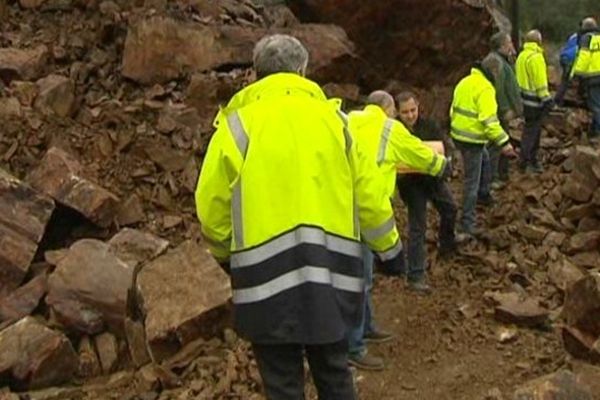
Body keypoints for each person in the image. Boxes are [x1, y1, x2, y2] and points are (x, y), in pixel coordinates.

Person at [195, 34, 404, 400]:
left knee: (282, 385)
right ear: (303, 71)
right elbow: (368, 194)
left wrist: (225, 253)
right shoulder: (336, 122)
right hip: (331, 279)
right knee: (335, 376)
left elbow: (210, 204)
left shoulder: (236, 125)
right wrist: (390, 249)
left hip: (264, 284)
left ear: (256, 74)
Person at [345, 90, 447, 369]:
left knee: (362, 274)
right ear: (389, 109)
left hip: (341, 206)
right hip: (368, 210)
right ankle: (353, 346)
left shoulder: (348, 120)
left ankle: (365, 327)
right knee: (357, 278)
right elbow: (418, 153)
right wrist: (441, 164)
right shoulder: (390, 128)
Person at [395, 91, 465, 294]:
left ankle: (447, 246)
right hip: (410, 183)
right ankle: (415, 276)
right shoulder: (396, 131)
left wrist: (446, 161)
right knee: (418, 225)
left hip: (432, 178)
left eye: (413, 110)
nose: (410, 115)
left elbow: (444, 147)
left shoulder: (429, 125)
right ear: (398, 113)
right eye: (405, 112)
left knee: (450, 209)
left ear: (418, 107)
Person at [450, 61, 517, 238]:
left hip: (458, 136)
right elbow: (490, 123)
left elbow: (452, 110)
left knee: (485, 160)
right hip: (472, 140)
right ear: (494, 72)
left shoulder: (465, 81)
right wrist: (505, 143)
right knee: (471, 181)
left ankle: (484, 193)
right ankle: (467, 223)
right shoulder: (486, 89)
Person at [482, 32, 523, 189]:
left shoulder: (502, 60)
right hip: (498, 112)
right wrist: (505, 109)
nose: (512, 45)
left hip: (500, 110)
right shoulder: (494, 62)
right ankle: (491, 179)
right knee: (495, 145)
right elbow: (498, 89)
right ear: (502, 45)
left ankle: (501, 174)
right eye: (509, 43)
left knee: (501, 143)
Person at [515, 29, 553, 173]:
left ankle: (528, 159)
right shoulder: (536, 57)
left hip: (524, 100)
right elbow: (540, 83)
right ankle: (527, 160)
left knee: (529, 129)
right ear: (539, 41)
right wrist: (547, 100)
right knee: (533, 132)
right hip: (534, 102)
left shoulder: (522, 56)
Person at [571, 17, 600, 144]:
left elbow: (584, 57)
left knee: (595, 106)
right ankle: (594, 129)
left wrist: (576, 75)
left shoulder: (586, 39)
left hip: (592, 77)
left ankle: (598, 132)